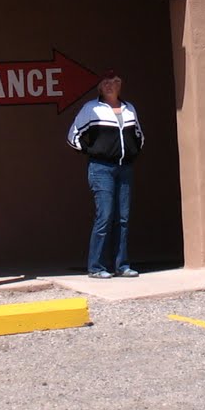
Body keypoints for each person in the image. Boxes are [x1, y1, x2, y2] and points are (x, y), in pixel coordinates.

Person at [65, 69, 144, 279]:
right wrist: (92, 152)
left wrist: (132, 153)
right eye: (106, 82)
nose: (110, 85)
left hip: (124, 168)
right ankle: (97, 266)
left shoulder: (129, 109)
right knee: (105, 215)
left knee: (123, 218)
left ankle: (122, 265)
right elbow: (73, 135)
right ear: (100, 86)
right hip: (101, 169)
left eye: (115, 81)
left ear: (120, 85)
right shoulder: (91, 109)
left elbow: (138, 135)